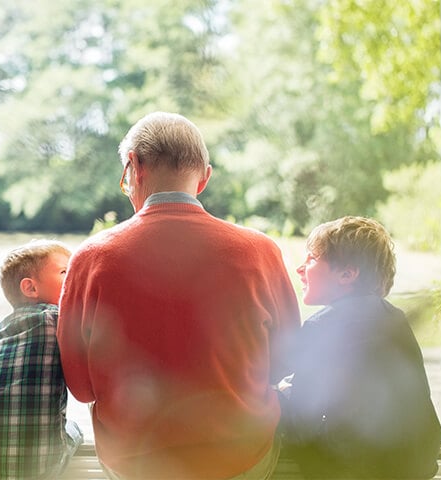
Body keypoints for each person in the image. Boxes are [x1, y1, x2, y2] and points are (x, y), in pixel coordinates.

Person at [57, 112, 301, 479]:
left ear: (133, 167)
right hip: (240, 459)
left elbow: (81, 388)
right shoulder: (260, 252)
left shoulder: (91, 259)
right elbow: (285, 363)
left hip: (135, 463)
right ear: (204, 178)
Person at [280, 216, 441, 478]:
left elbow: (301, 426)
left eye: (311, 258)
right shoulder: (396, 318)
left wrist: (285, 394)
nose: (300, 268)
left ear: (348, 273)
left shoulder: (321, 326)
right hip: (415, 467)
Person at [0, 239, 84, 480]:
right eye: (66, 272)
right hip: (36, 468)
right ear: (31, 288)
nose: (75, 279)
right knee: (75, 429)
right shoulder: (57, 319)